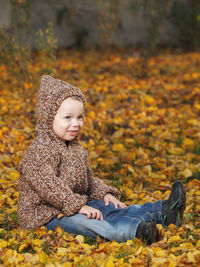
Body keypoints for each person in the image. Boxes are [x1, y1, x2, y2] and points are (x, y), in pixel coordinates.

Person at [17, 75, 186, 244]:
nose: (76, 123)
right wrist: (77, 205)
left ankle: (164, 211)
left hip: (73, 205)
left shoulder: (75, 148)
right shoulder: (40, 150)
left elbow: (88, 180)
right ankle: (135, 231)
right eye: (68, 118)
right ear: (48, 118)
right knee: (85, 223)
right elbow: (48, 185)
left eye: (80, 117)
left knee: (109, 208)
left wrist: (105, 194)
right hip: (47, 217)